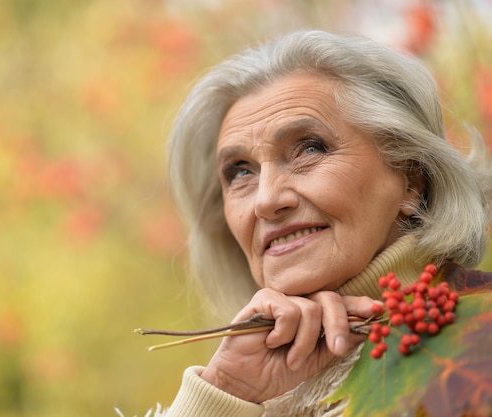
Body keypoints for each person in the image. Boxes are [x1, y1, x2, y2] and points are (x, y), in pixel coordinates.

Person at [155, 30, 492, 416]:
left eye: (309, 148)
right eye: (240, 172)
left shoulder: (480, 335)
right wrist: (225, 393)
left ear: (410, 179)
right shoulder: (246, 388)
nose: (266, 199)